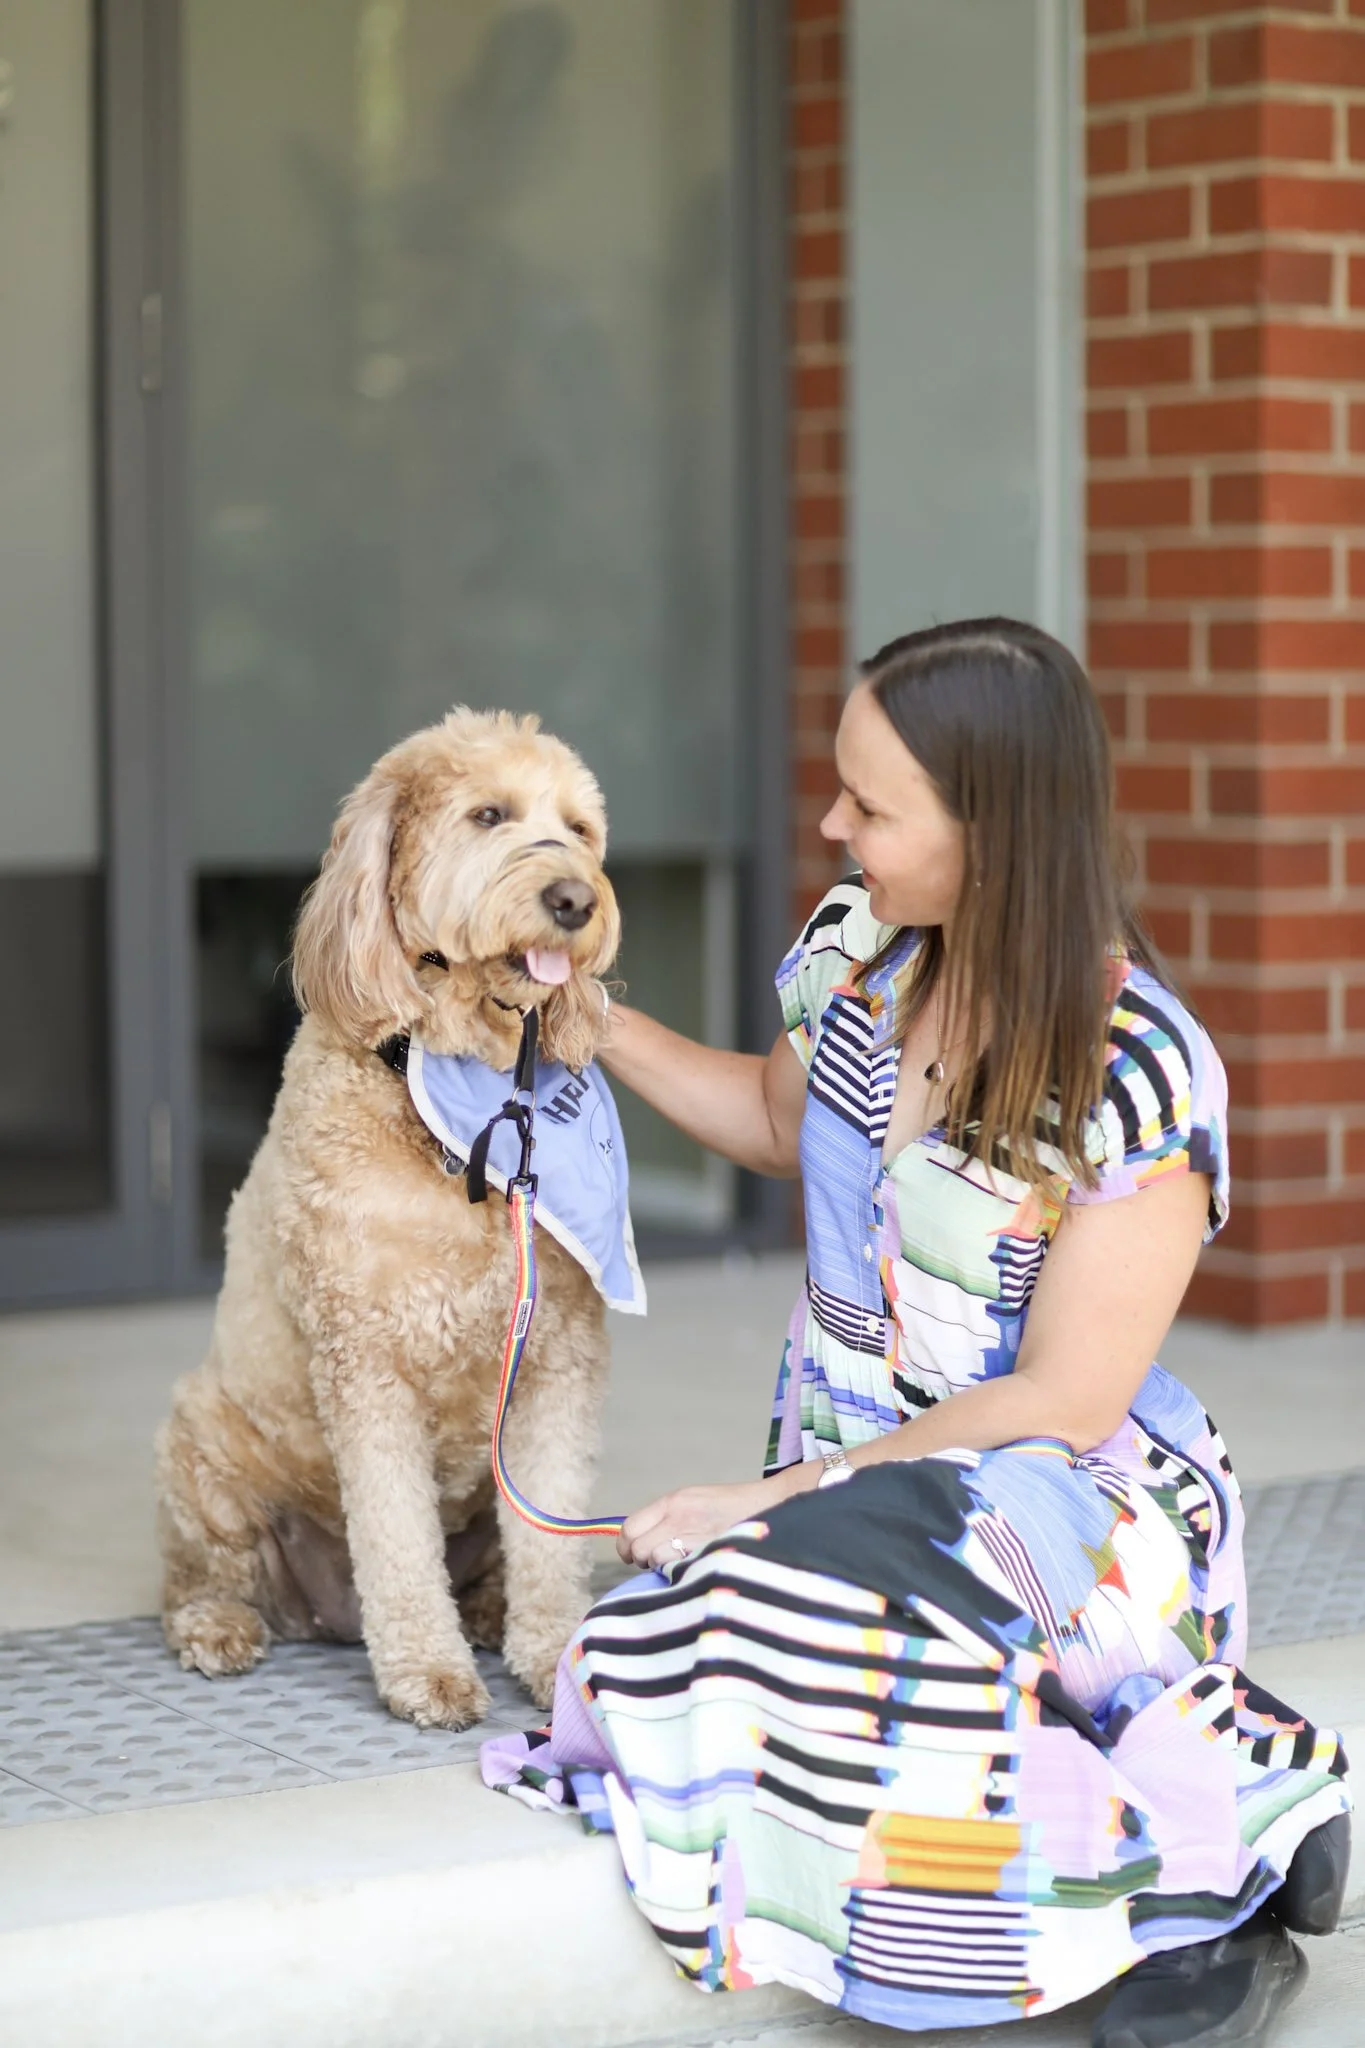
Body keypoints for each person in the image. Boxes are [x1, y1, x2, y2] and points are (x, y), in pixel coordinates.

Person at [481, 619, 1352, 2046]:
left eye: (872, 806)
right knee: (642, 1657)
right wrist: (580, 1011)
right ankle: (1211, 1806)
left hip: (1049, 1505)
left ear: (993, 830)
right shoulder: (864, 958)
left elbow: (1067, 1401)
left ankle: (1212, 1864)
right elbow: (776, 1121)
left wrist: (772, 1499)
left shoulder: (1141, 1071)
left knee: (780, 1645)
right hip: (855, 1496)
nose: (833, 825)